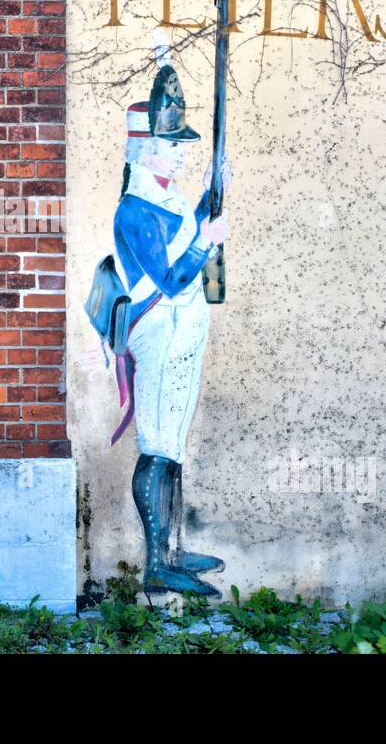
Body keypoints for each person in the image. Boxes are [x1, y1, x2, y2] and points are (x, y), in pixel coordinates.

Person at [88, 62, 231, 597]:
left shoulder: (168, 198)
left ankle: (172, 549)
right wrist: (205, 239)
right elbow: (170, 281)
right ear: (144, 151)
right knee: (156, 442)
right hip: (160, 329)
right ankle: (155, 561)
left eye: (182, 145)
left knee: (172, 442)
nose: (181, 153)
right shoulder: (135, 210)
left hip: (186, 329)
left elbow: (194, 229)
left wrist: (212, 192)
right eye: (171, 145)